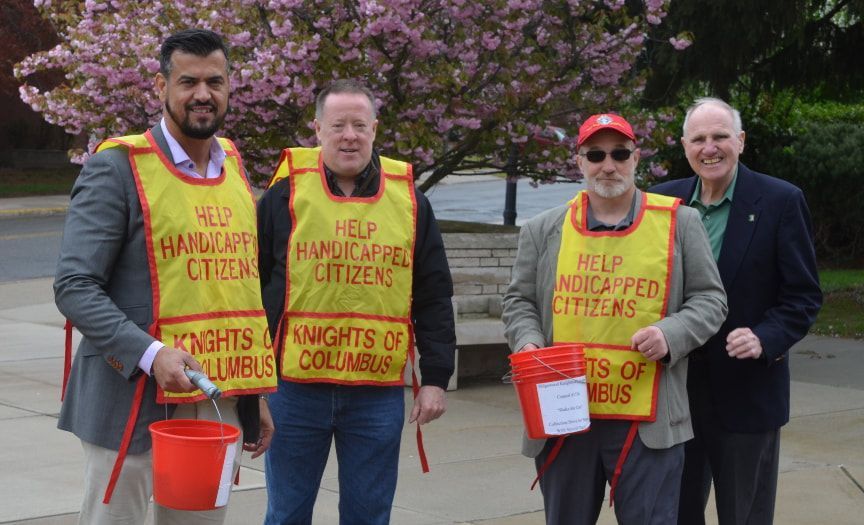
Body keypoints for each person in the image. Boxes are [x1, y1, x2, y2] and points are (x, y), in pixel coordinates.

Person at [54, 29, 276, 525]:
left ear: (229, 87)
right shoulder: (116, 167)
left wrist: (249, 397)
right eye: (188, 81)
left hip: (214, 400)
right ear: (161, 87)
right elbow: (73, 286)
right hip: (131, 400)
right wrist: (151, 355)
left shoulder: (235, 167)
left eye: (215, 81)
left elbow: (235, 289)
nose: (203, 94)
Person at [503, 113, 727, 524]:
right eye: (597, 154)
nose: (609, 164)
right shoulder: (542, 229)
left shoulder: (680, 223)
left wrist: (670, 333)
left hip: (648, 421)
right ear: (580, 161)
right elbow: (518, 301)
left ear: (636, 158)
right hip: (565, 414)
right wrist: (529, 344)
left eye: (620, 153)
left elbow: (711, 300)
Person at [257, 79, 456, 524]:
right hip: (293, 388)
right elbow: (252, 289)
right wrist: (251, 380)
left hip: (376, 392)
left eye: (359, 125)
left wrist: (436, 377)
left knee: (369, 515)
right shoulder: (283, 198)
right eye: (338, 125)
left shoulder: (410, 202)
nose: (349, 135)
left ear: (374, 129)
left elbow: (433, 294)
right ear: (317, 129)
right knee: (286, 512)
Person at [651, 97, 822, 525]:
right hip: (674, 393)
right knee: (674, 513)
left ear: (740, 141)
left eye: (720, 136)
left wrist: (767, 337)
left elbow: (803, 295)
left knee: (745, 515)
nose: (710, 148)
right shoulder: (660, 203)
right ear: (685, 146)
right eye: (699, 139)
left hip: (747, 393)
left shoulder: (780, 200)